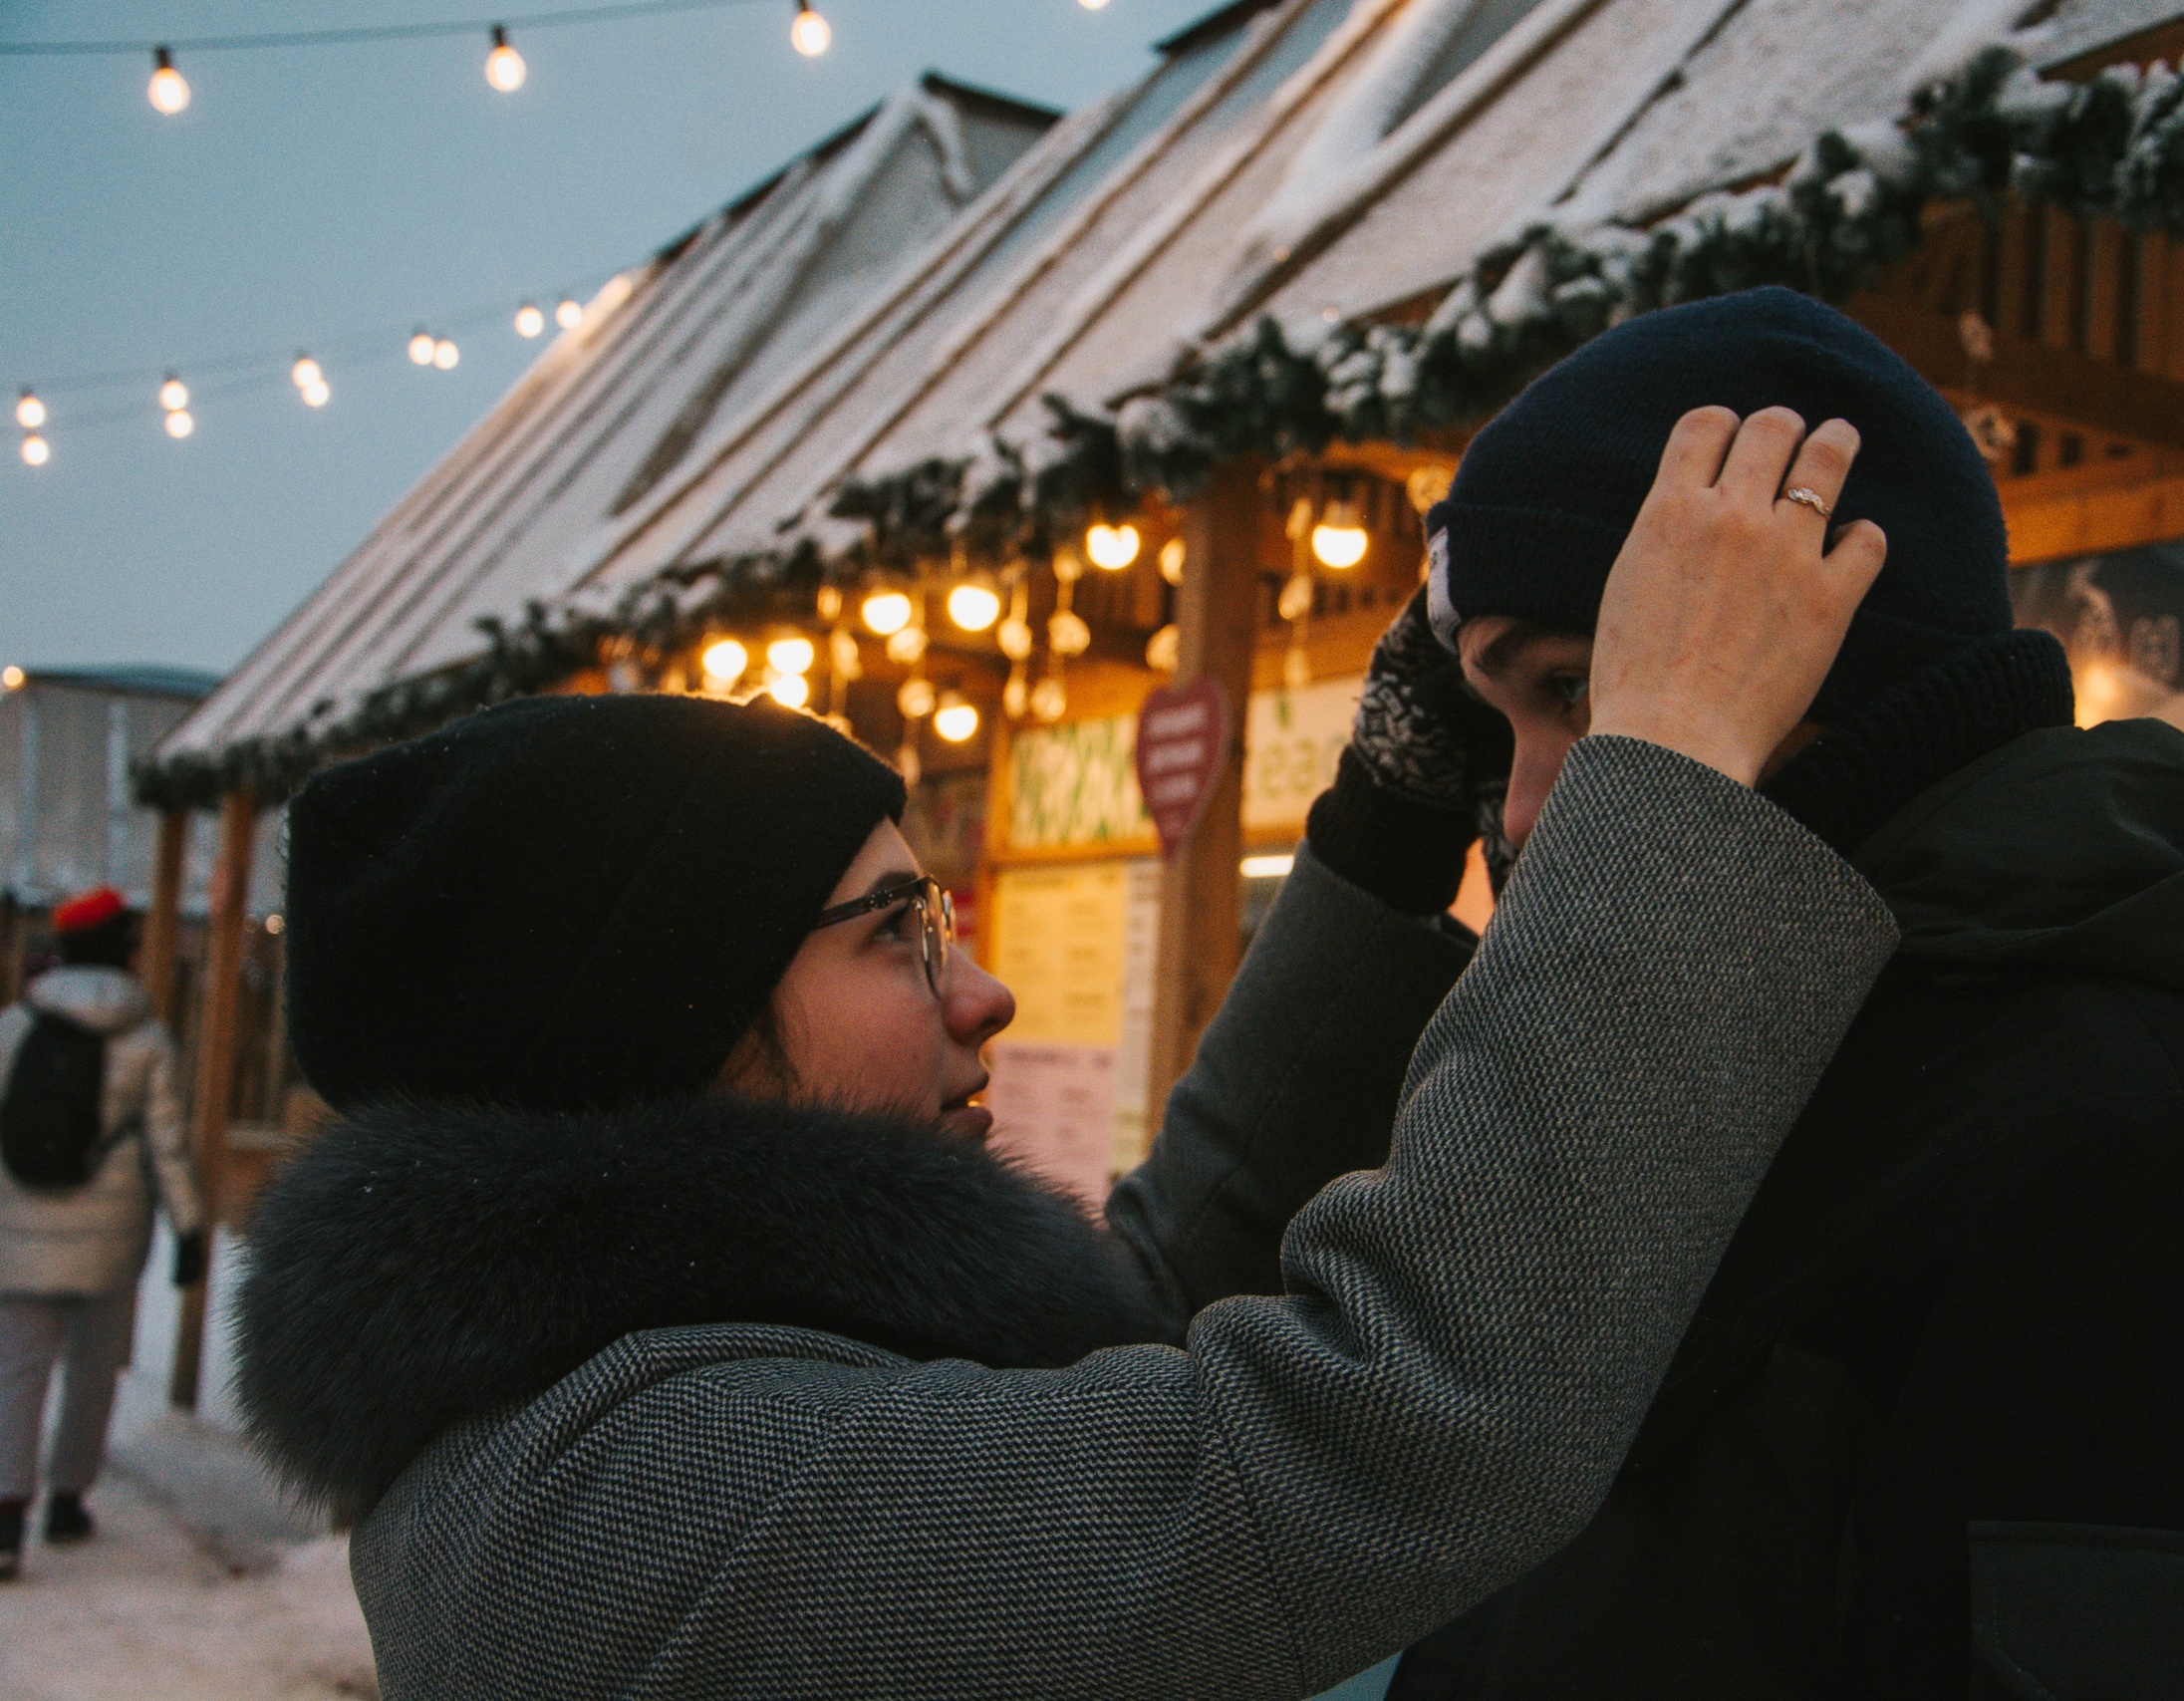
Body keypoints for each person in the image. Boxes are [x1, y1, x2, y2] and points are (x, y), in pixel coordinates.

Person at [233, 403, 1900, 1701]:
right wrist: (1668, 764)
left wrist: (1387, 825)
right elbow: (1373, 1436)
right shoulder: (643, 1499)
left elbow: (1141, 1290)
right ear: (656, 1021)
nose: (985, 1000)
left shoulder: (642, 1370)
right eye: (897, 932)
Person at [1367, 285, 2184, 1700]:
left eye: (1586, 690)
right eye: (1506, 719)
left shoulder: (2169, 1161)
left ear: (1827, 657)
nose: (1529, 805)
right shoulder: (1765, 1065)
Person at [0, 888, 205, 1581]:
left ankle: (5, 1512)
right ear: (122, 950)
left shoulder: (12, 1027)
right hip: (111, 1234)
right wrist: (188, 1225)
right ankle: (65, 1500)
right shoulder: (146, 1038)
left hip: (19, 1227)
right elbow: (166, 1144)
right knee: (92, 1370)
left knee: (18, 1370)